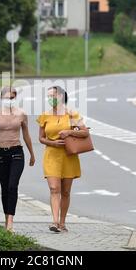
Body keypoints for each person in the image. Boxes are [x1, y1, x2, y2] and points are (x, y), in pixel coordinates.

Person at [36, 86, 89, 233]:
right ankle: (54, 221)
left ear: (60, 96)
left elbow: (84, 132)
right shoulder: (44, 116)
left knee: (65, 192)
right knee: (54, 189)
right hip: (51, 155)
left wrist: (69, 132)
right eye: (48, 96)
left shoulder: (72, 114)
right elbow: (40, 138)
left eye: (52, 95)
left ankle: (62, 222)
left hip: (68, 156)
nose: (49, 99)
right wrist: (52, 142)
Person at [0, 86, 35, 232]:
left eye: (12, 98)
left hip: (17, 153)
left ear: (16, 98)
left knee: (13, 185)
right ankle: (6, 218)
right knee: (5, 187)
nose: (9, 100)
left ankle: (11, 222)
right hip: (1, 153)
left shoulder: (22, 114)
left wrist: (32, 154)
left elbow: (26, 135)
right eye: (7, 98)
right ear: (1, 99)